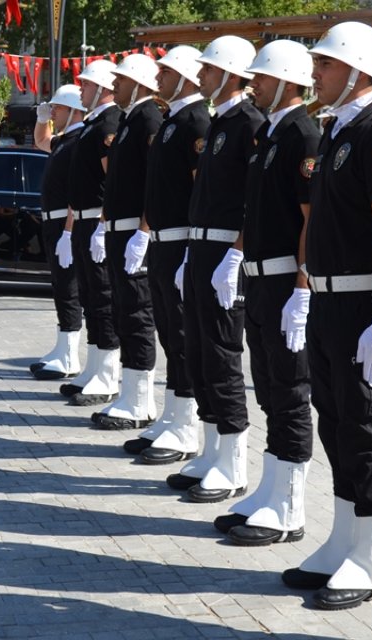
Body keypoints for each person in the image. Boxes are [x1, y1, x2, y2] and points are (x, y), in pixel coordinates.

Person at [280, 22, 372, 611]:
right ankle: (344, 539)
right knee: (333, 420)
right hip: (333, 298)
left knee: (362, 427)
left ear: (357, 71)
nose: (317, 74)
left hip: (365, 301)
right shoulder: (340, 130)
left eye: (327, 65)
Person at [215, 39, 318, 545]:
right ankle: (271, 488)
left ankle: (291, 506)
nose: (255, 84)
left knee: (291, 393)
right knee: (271, 389)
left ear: (288, 80)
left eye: (264, 77)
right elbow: (253, 210)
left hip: (283, 277)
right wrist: (236, 255)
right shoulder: (273, 133)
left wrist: (303, 286)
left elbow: (308, 219)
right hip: (259, 274)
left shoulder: (303, 133)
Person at [154, 38, 260, 502]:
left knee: (221, 356)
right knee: (197, 353)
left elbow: (253, 203)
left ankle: (233, 462)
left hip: (222, 251)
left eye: (211, 70)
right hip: (200, 249)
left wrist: (236, 254)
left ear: (233, 73)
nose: (203, 78)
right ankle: (213, 449)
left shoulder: (249, 125)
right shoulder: (221, 123)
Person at [125, 47, 213, 472]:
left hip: (181, 239)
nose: (158, 76)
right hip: (163, 238)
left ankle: (187, 424)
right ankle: (173, 414)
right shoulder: (174, 120)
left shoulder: (197, 120)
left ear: (187, 77)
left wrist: (192, 248)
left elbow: (201, 190)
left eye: (167, 71)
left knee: (181, 337)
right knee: (169, 333)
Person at [88, 53, 163, 426]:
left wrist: (144, 232)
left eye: (120, 79)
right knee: (123, 312)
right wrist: (104, 225)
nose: (113, 84)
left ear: (138, 82)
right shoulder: (132, 119)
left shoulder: (149, 117)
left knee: (137, 314)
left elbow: (154, 181)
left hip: (135, 228)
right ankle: (130, 394)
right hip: (119, 228)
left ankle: (141, 402)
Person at [59, 59, 123, 407]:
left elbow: (110, 179)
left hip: (96, 220)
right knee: (89, 296)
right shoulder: (92, 124)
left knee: (102, 298)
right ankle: (94, 366)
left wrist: (102, 222)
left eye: (86, 85)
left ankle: (107, 374)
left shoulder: (108, 123)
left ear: (101, 89)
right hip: (83, 220)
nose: (80, 89)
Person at [30, 85, 87, 378]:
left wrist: (68, 231)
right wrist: (42, 119)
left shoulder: (79, 141)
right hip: (53, 221)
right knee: (60, 286)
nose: (52, 112)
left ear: (74, 110)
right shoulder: (66, 140)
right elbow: (41, 140)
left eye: (57, 108)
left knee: (69, 288)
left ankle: (69, 356)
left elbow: (78, 192)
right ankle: (62, 346)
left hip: (66, 222)